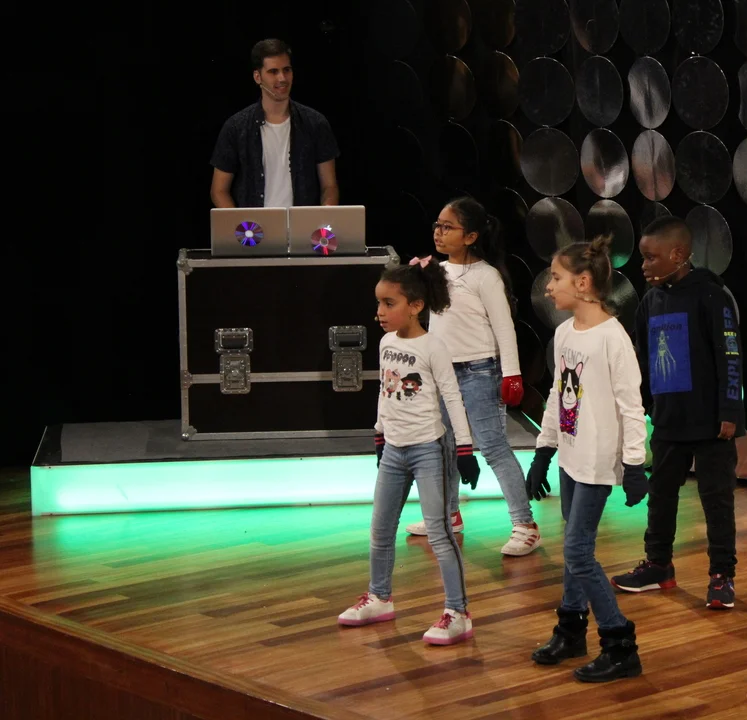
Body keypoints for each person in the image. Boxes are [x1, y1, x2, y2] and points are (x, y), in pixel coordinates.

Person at [337, 257, 481, 646]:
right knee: (380, 529)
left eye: (389, 303)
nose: (380, 312)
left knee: (439, 532)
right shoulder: (386, 343)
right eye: (379, 303)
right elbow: (385, 390)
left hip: (428, 450)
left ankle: (458, 612)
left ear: (415, 305)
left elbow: (452, 396)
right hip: (394, 451)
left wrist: (464, 449)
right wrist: (379, 434)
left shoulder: (433, 346)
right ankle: (379, 597)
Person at [526, 236, 648, 683]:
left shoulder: (612, 338)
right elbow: (559, 393)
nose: (548, 287)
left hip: (597, 461)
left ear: (582, 282)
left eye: (555, 277)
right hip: (571, 458)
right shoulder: (564, 333)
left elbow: (632, 406)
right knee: (574, 548)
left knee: (578, 552)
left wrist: (634, 464)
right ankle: (571, 629)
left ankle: (620, 644)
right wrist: (544, 448)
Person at [609, 217, 746, 610]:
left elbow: (730, 354)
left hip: (712, 422)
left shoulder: (712, 295)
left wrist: (730, 410)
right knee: (661, 496)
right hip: (669, 419)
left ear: (679, 254)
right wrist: (647, 406)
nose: (644, 266)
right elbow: (643, 358)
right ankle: (658, 565)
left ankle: (722, 575)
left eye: (651, 258)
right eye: (643, 258)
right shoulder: (650, 302)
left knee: (716, 500)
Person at [408, 197, 541, 555]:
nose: (439, 232)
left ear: (470, 236)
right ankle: (447, 514)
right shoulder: (437, 272)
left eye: (447, 227)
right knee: (445, 444)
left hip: (480, 370)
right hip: (443, 373)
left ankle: (525, 524)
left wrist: (511, 374)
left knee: (492, 445)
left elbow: (504, 327)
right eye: (437, 225)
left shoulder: (486, 276)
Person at [210, 38, 339, 209]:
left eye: (286, 70)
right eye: (273, 71)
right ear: (257, 77)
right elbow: (219, 190)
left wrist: (324, 215)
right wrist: (243, 224)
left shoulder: (315, 123)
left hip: (302, 225)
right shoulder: (236, 127)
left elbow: (329, 186)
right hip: (254, 225)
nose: (282, 78)